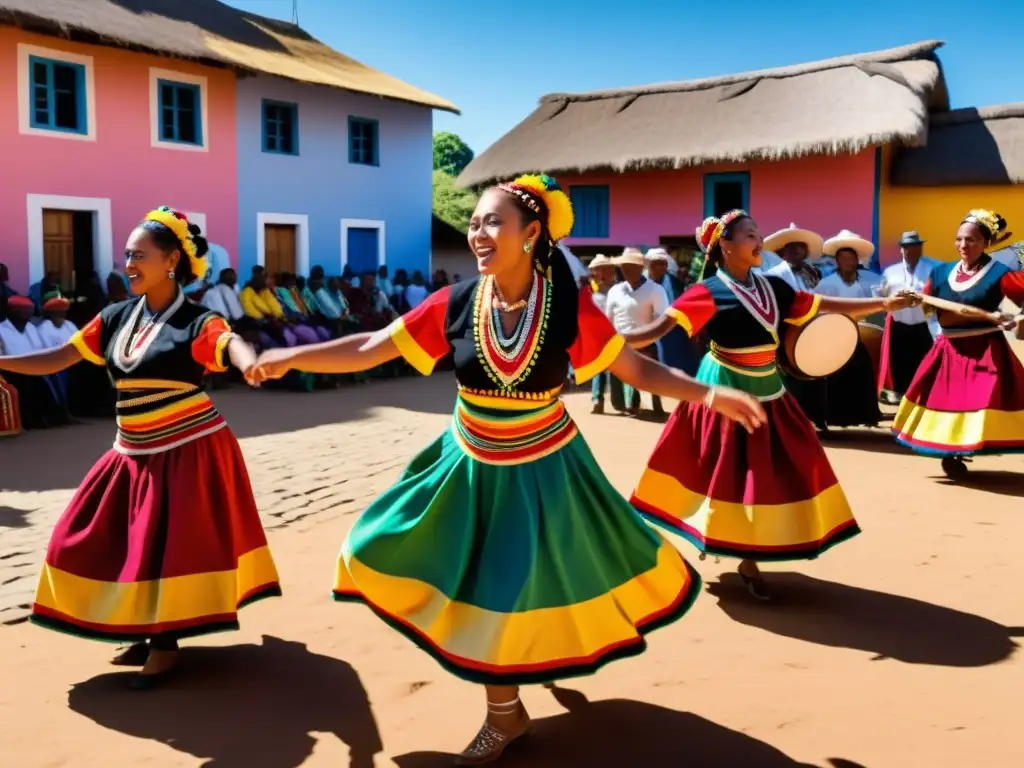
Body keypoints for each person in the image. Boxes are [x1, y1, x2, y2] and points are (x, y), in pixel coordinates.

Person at [250, 174, 764, 763]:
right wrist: (292, 356)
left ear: (533, 232)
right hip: (467, 466)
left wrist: (708, 394)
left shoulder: (570, 308)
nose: (477, 232)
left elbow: (640, 373)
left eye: (492, 221)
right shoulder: (456, 302)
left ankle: (504, 716)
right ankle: (509, 707)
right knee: (386, 550)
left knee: (509, 595)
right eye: (473, 223)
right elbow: (372, 348)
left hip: (543, 471)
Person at [0, 207, 280, 688]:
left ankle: (165, 645)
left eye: (140, 255)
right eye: (127, 255)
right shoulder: (113, 318)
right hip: (132, 449)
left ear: (172, 260)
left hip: (189, 447)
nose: (128, 263)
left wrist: (250, 362)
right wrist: (3, 361)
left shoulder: (196, 320)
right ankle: (144, 628)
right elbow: (60, 358)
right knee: (100, 539)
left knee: (167, 549)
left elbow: (229, 342)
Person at [621, 211, 915, 601]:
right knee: (722, 470)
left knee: (777, 467)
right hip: (723, 388)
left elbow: (825, 305)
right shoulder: (707, 291)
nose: (759, 240)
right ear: (725, 246)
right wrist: (608, 343)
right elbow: (656, 332)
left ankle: (747, 550)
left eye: (758, 234)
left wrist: (884, 306)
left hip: (769, 387)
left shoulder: (774, 288)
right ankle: (741, 555)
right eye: (749, 235)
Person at [892, 210, 1024, 478]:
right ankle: (952, 453)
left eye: (972, 240)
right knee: (947, 400)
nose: (964, 245)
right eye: (960, 239)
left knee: (984, 397)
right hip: (948, 349)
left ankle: (970, 445)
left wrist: (1018, 319)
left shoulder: (1000, 273)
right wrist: (908, 299)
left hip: (986, 349)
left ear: (985, 243)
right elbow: (928, 307)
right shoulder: (941, 273)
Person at [785, 230, 884, 431]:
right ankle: (833, 417)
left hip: (859, 333)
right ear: (837, 261)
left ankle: (866, 413)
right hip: (831, 335)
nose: (848, 262)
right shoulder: (826, 284)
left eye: (851, 258)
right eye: (844, 259)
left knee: (862, 369)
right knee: (832, 376)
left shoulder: (868, 281)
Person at [605, 248, 670, 418]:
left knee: (652, 377)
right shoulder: (615, 291)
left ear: (641, 268)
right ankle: (629, 404)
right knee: (622, 378)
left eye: (632, 267)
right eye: (624, 267)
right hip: (620, 342)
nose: (627, 271)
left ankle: (656, 406)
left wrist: (646, 337)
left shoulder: (655, 290)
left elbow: (661, 319)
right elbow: (608, 319)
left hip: (646, 341)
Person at [877, 231, 939, 404]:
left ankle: (924, 396)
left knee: (924, 360)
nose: (910, 251)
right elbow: (882, 294)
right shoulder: (891, 271)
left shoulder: (934, 268)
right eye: (906, 247)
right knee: (899, 361)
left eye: (914, 247)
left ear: (920, 248)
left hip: (924, 323)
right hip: (899, 322)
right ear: (901, 250)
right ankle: (900, 395)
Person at [0, 296, 70, 428]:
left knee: (52, 374)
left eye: (29, 311)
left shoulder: (31, 328)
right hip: (11, 370)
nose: (28, 315)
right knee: (32, 381)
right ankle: (31, 421)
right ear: (12, 312)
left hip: (33, 366)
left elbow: (43, 349)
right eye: (24, 311)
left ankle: (58, 416)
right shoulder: (1, 330)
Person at [646, 248, 701, 376]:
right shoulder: (648, 284)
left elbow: (677, 310)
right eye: (654, 264)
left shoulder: (672, 283)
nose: (660, 267)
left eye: (662, 264)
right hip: (656, 336)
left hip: (675, 335)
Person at [587, 254, 621, 414]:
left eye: (600, 269)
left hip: (617, 333)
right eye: (595, 270)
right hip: (598, 334)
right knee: (598, 368)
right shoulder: (590, 289)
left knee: (617, 370)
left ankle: (618, 402)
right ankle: (597, 400)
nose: (597, 273)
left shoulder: (619, 288)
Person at [763, 223, 825, 291]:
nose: (797, 249)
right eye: (791, 246)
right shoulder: (774, 274)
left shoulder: (810, 274)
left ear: (806, 252)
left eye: (801, 246)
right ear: (782, 251)